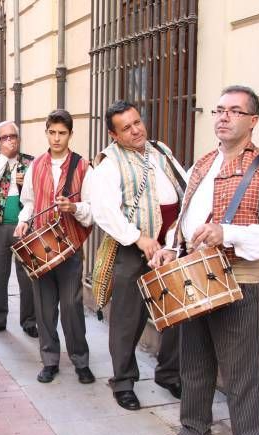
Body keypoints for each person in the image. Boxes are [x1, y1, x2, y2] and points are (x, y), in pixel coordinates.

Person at [150, 85, 259, 435]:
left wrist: (226, 232)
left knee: (242, 373)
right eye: (219, 110)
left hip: (238, 281)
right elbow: (188, 219)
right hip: (195, 276)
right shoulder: (203, 164)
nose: (223, 117)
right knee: (194, 361)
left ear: (253, 120)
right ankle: (195, 430)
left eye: (234, 111)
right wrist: (169, 249)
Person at [85, 100, 186, 410]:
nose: (135, 130)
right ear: (114, 135)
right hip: (134, 249)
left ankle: (169, 373)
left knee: (180, 312)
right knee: (129, 319)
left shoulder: (161, 150)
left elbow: (184, 186)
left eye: (137, 122)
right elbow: (104, 211)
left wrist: (177, 237)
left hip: (171, 247)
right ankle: (124, 381)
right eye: (126, 128)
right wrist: (139, 238)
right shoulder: (109, 163)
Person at [15, 110, 95, 385]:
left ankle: (80, 361)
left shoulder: (83, 166)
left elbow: (92, 208)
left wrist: (73, 207)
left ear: (70, 135)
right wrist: (23, 223)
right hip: (40, 244)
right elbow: (28, 201)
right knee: (44, 306)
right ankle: (49, 360)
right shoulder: (36, 164)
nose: (57, 138)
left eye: (62, 133)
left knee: (72, 307)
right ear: (47, 132)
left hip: (70, 246)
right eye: (52, 132)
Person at [0, 120, 37, 338]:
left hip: (25, 225)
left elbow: (37, 194)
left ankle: (30, 320)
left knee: (27, 276)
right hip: (0, 225)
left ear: (19, 138)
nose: (10, 141)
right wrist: (4, 157)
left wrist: (24, 183)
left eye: (13, 136)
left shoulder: (31, 162)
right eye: (4, 138)